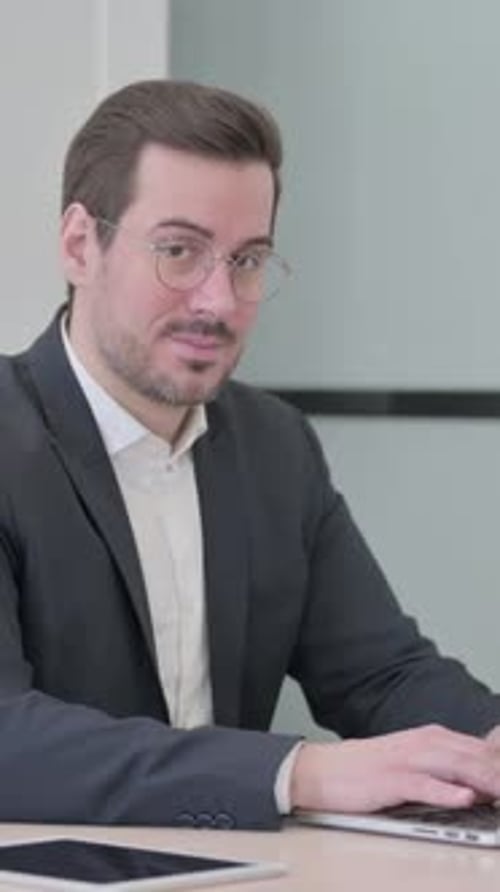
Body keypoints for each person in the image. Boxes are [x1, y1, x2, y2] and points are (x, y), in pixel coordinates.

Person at [1, 78, 500, 831]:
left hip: (244, 873)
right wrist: (299, 771)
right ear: (80, 245)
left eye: (247, 259)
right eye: (179, 251)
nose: (219, 300)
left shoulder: (274, 446)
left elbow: (382, 675)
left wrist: (487, 744)